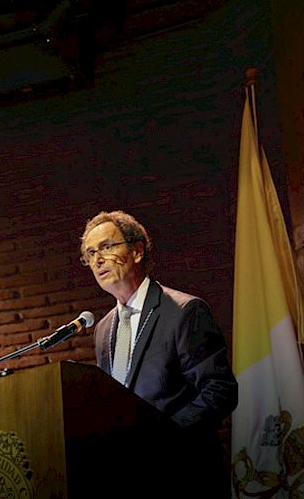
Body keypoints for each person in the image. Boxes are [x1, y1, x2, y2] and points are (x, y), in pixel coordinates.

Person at [80, 210, 237, 493]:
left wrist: (162, 438)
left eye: (106, 247)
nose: (97, 260)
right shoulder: (103, 330)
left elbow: (219, 390)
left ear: (137, 251)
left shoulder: (184, 311)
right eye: (90, 253)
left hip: (185, 473)